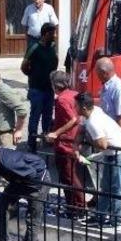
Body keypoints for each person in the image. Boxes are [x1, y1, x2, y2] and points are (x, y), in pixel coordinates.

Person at [76, 92, 121, 227]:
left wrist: (88, 139)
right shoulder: (96, 111)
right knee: (106, 188)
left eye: (76, 106)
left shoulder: (93, 122)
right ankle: (100, 217)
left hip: (120, 156)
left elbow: (102, 145)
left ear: (83, 108)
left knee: (116, 190)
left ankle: (117, 220)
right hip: (113, 155)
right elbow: (82, 127)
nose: (74, 109)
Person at [45, 70, 85, 220]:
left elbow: (73, 119)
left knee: (68, 178)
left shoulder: (62, 99)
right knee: (72, 176)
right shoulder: (73, 94)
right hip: (72, 141)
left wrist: (56, 133)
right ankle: (76, 207)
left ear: (55, 85)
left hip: (65, 143)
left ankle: (75, 209)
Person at [21, 23, 58, 152]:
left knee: (47, 116)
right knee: (35, 116)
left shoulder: (53, 46)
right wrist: (33, 76)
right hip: (36, 88)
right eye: (52, 33)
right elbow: (24, 66)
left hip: (49, 88)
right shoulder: (34, 47)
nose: (55, 35)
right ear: (45, 34)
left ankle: (45, 139)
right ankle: (32, 143)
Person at [95, 57, 121, 133]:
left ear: (104, 73)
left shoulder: (118, 88)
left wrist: (120, 139)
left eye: (97, 73)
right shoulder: (106, 86)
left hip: (115, 134)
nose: (96, 76)